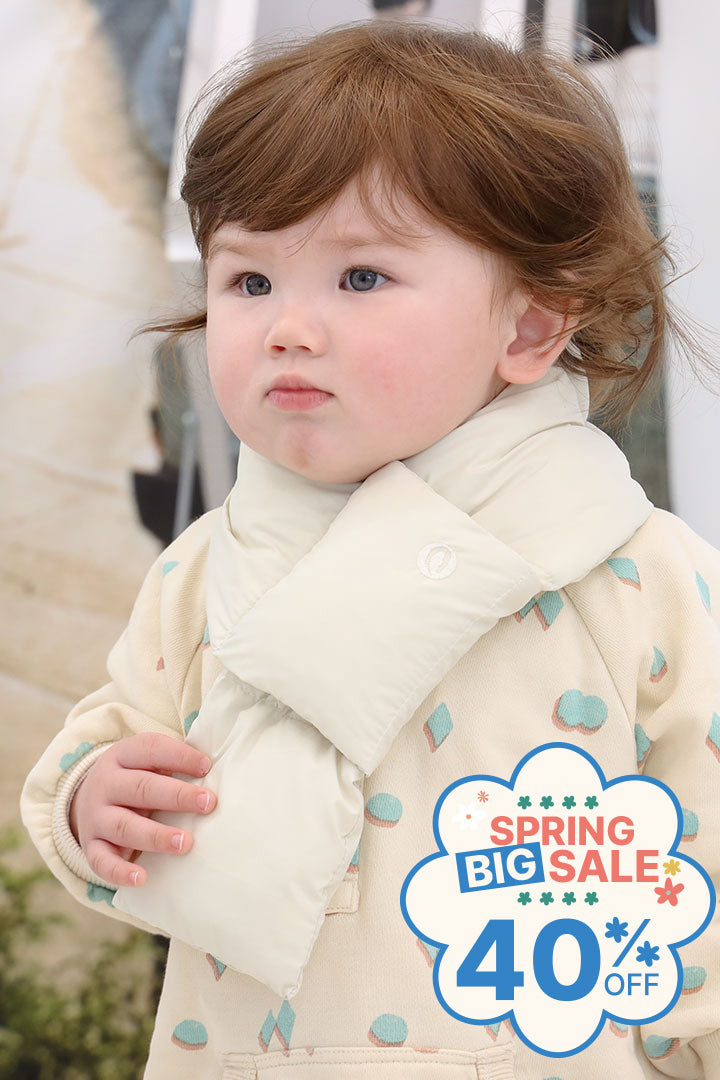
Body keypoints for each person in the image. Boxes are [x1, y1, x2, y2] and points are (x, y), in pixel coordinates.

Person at [21, 19, 720, 1080]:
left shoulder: (636, 574)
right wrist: (94, 803)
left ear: (531, 328)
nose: (288, 328)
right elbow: (116, 738)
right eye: (249, 282)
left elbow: (706, 851)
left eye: (360, 279)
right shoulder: (208, 564)